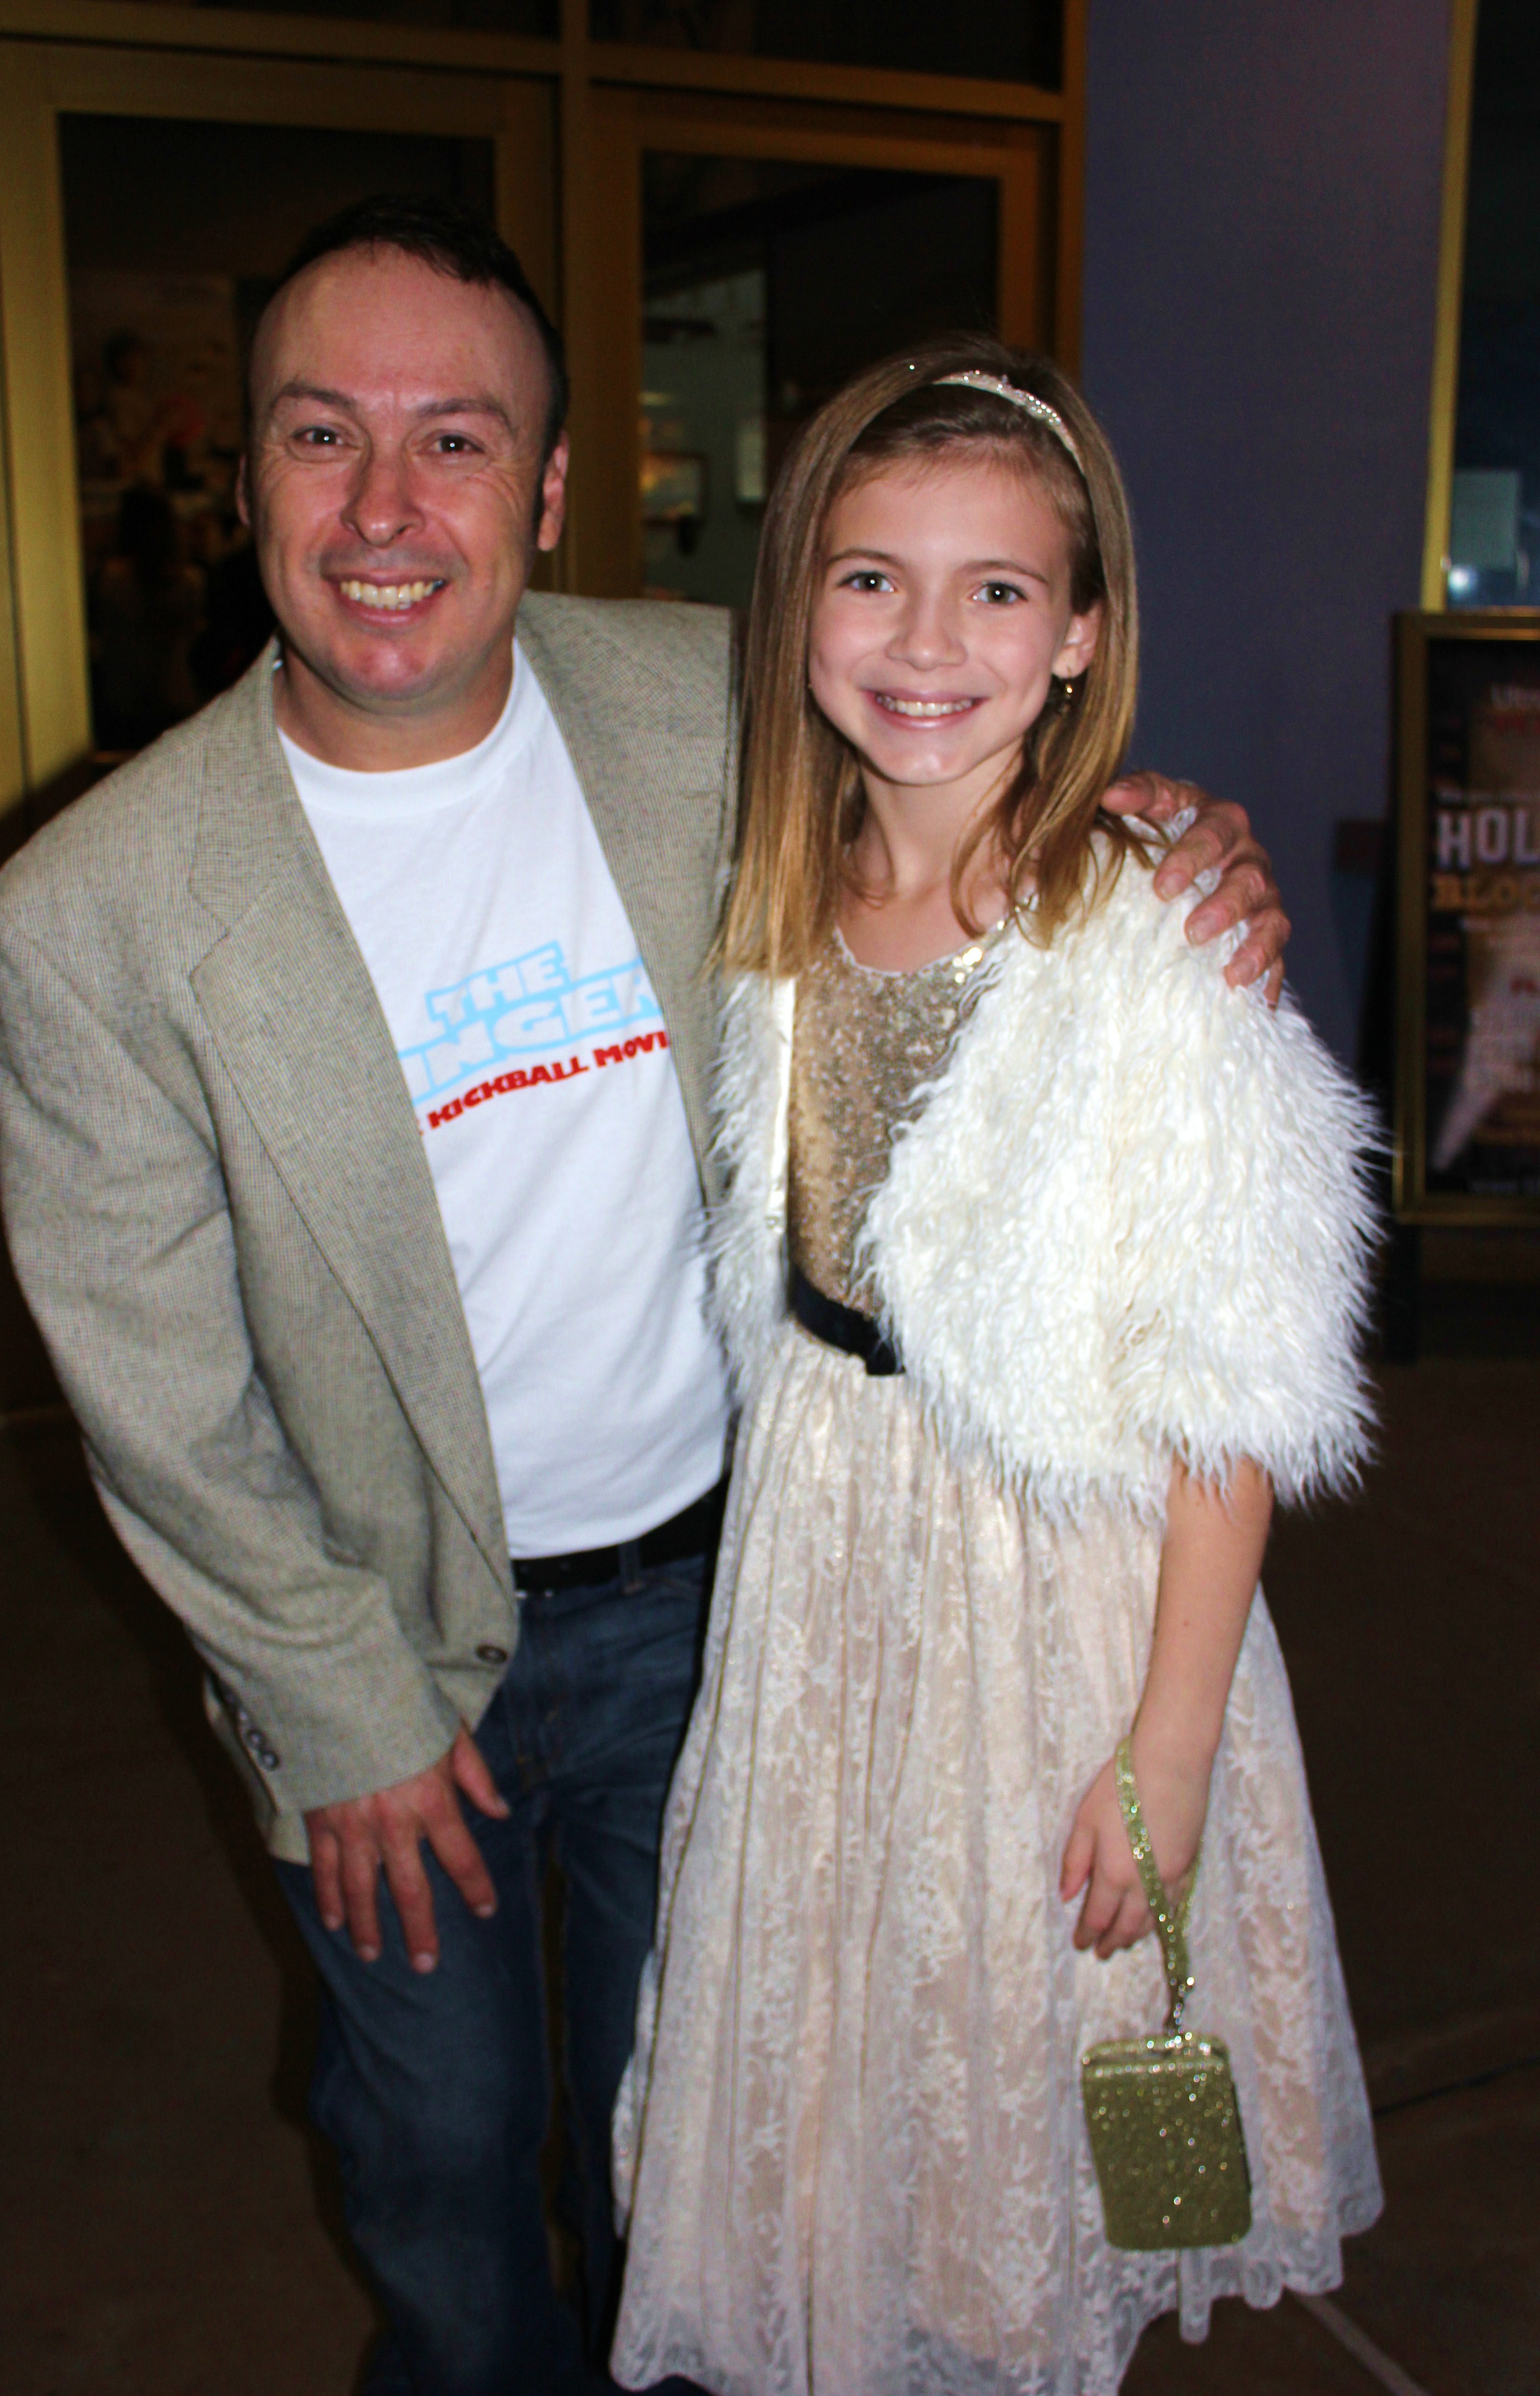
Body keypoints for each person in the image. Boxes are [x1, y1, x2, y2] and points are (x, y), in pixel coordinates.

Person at [0, 198, 1292, 2396]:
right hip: (403, 1661)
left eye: (459, 441)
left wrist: (1173, 835)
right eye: (325, 436)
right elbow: (153, 1395)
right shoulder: (92, 915)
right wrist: (336, 1706)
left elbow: (973, 751)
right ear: (246, 480)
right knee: (445, 2167)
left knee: (707, 2157)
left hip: (744, 1608)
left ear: (552, 489)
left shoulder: (702, 704)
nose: (391, 510)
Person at [610, 340, 1382, 2396]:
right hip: (822, 1574)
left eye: (997, 591)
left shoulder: (1148, 937)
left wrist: (1175, 1751)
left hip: (1057, 1605)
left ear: (1082, 639)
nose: (927, 641)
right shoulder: (780, 892)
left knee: (1015, 2113)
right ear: (798, 612)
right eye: (870, 579)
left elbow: (1233, 1395)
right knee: (850, 2095)